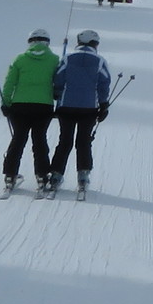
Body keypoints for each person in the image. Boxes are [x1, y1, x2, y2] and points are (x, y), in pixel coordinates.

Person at [47, 28, 113, 193]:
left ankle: (56, 174)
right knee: (84, 142)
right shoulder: (100, 61)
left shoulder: (67, 58)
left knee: (65, 140)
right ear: (94, 44)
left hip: (66, 106)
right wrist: (103, 105)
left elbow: (58, 78)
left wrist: (57, 94)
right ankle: (83, 175)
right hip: (89, 108)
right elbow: (104, 84)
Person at [0, 30, 59, 195]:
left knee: (18, 139)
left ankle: (10, 175)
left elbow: (9, 82)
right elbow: (59, 83)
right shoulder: (54, 60)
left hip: (20, 106)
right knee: (39, 140)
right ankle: (42, 176)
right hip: (44, 106)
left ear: (30, 42)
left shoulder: (20, 59)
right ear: (47, 42)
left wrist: (6, 103)